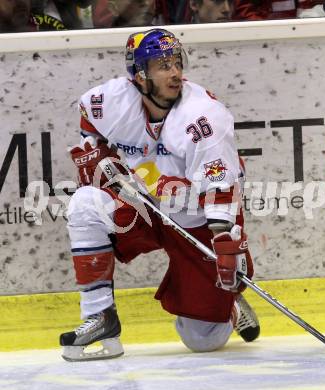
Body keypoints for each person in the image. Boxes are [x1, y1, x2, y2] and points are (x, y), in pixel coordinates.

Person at [60, 28, 260, 362]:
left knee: (201, 341)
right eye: (163, 65)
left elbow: (220, 186)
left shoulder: (203, 118)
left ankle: (227, 306)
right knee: (84, 204)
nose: (175, 72)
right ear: (139, 75)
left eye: (176, 62)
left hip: (198, 220)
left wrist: (223, 243)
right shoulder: (112, 100)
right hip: (148, 204)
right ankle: (100, 318)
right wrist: (97, 152)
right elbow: (89, 119)